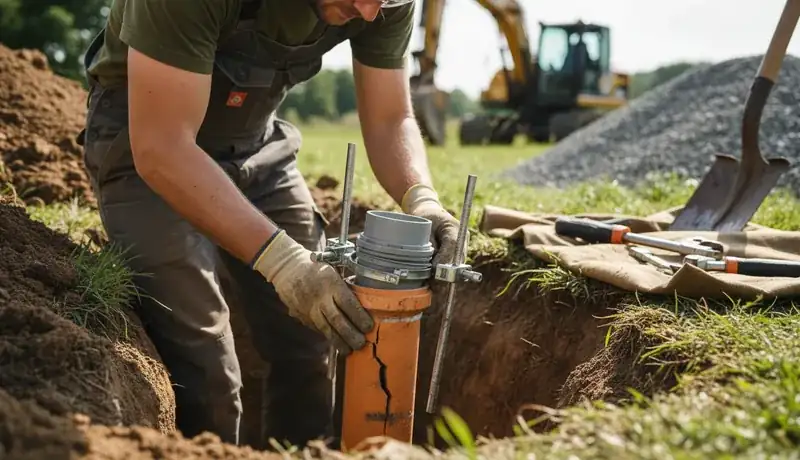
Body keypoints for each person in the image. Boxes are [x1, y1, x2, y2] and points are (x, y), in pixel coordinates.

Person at [78, 0, 461, 449]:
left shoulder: (383, 4)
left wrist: (423, 199)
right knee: (205, 362)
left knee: (314, 335)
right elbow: (162, 148)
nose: (369, 11)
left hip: (255, 146)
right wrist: (283, 262)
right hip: (146, 139)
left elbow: (389, 117)